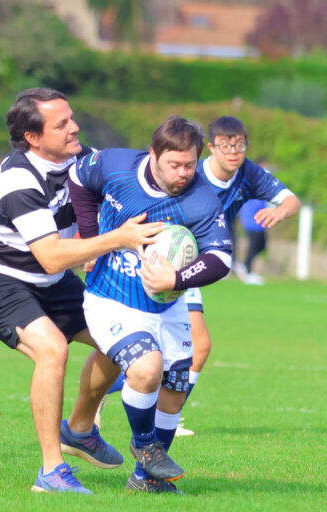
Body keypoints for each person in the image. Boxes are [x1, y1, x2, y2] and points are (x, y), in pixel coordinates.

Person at [0, 88, 165, 494]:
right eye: (62, 124)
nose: (75, 128)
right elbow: (51, 256)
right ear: (33, 138)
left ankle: (81, 429)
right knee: (53, 350)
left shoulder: (81, 157)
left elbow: (125, 181)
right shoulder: (19, 179)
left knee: (118, 338)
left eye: (72, 118)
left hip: (47, 278)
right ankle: (52, 473)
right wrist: (115, 239)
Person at [68, 115, 234, 494]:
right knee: (147, 368)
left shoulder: (201, 198)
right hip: (111, 299)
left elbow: (222, 258)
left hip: (169, 306)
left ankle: (145, 481)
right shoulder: (115, 165)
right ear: (153, 154)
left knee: (175, 390)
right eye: (174, 164)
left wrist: (175, 279)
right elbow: (79, 179)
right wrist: (93, 240)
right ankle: (144, 446)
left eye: (190, 165)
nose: (183, 173)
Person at [178, 116, 301, 435]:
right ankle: (160, 415)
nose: (233, 152)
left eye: (240, 145)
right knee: (195, 347)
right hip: (170, 259)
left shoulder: (248, 174)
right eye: (226, 145)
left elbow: (292, 201)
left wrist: (279, 211)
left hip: (197, 265)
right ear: (211, 148)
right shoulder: (190, 173)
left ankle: (161, 414)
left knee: (187, 350)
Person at [236, 198, 268, 285]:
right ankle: (247, 270)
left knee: (262, 246)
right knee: (253, 248)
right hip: (253, 224)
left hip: (260, 225)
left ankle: (245, 266)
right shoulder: (251, 195)